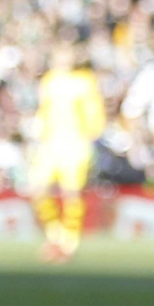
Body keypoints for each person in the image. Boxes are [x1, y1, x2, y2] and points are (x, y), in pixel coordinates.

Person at [28, 47, 105, 261]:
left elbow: (94, 111)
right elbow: (44, 110)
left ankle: (69, 243)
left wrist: (92, 133)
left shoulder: (84, 80)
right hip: (50, 143)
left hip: (75, 143)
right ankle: (56, 236)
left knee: (72, 193)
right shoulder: (49, 80)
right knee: (38, 190)